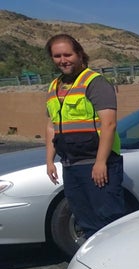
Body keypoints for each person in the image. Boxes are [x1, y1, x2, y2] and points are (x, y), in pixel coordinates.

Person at [45, 34, 124, 241]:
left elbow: (109, 124)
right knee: (85, 221)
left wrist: (100, 162)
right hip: (71, 165)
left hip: (96, 164)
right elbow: (52, 125)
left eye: (68, 54)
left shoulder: (95, 83)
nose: (63, 60)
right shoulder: (54, 87)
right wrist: (49, 161)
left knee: (108, 222)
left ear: (80, 54)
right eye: (57, 56)